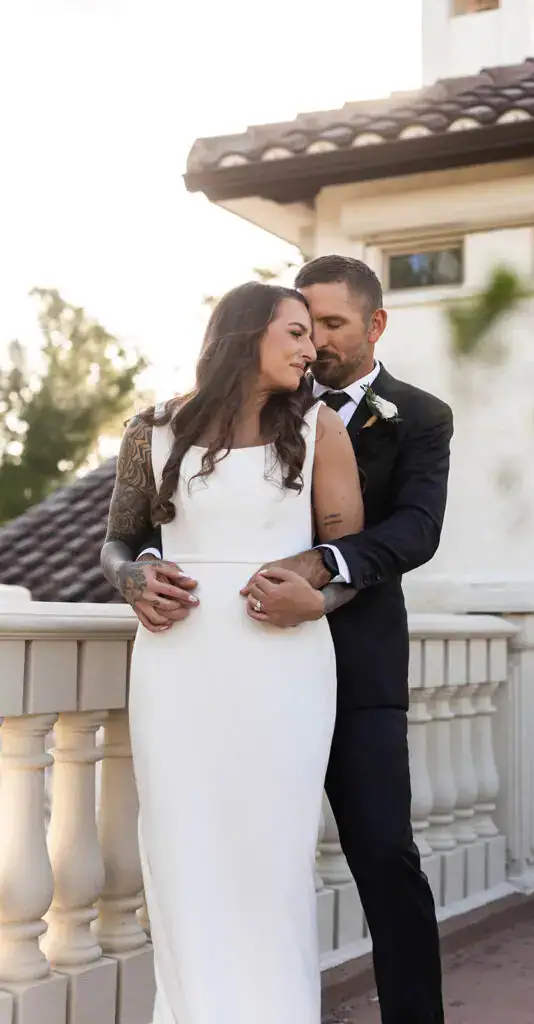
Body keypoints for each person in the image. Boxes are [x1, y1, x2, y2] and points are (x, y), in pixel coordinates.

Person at [135, 256, 454, 1023]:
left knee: (381, 851)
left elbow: (416, 529)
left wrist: (323, 570)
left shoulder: (418, 415)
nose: (316, 344)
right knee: (221, 847)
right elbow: (151, 526)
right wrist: (144, 569)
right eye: (301, 324)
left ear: (375, 325)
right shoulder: (185, 426)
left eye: (332, 326)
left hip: (356, 660)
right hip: (220, 664)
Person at [100, 281, 365, 1024]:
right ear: (245, 334)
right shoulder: (150, 431)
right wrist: (132, 578)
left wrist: (318, 596)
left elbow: (349, 554)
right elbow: (119, 538)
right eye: (295, 332)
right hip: (178, 665)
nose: (310, 348)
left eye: (313, 334)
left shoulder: (320, 429)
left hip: (282, 666)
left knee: (270, 860)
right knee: (183, 853)